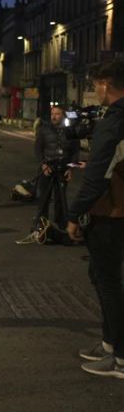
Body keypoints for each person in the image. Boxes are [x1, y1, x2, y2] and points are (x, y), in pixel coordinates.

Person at [67, 61, 124, 379]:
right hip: (116, 208)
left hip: (110, 211)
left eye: (96, 85)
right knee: (105, 278)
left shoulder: (114, 121)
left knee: (109, 283)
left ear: (106, 84)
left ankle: (119, 357)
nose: (95, 91)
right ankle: (109, 343)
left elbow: (98, 177)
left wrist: (75, 215)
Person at [31, 105, 80, 241]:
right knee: (44, 199)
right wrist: (44, 164)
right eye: (52, 113)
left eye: (57, 114)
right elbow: (38, 149)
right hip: (47, 169)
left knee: (61, 199)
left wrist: (71, 168)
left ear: (63, 116)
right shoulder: (44, 130)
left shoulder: (70, 131)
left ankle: (62, 225)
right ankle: (41, 225)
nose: (54, 116)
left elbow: (75, 152)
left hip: (63, 169)